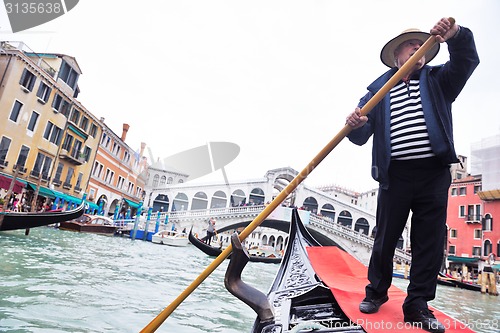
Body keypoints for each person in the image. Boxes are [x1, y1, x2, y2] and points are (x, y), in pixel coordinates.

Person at [346, 18, 479, 333]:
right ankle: (376, 293)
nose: (417, 49)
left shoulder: (438, 80)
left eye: (422, 46)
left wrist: (456, 36)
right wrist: (355, 123)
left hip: (433, 174)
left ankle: (417, 304)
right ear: (397, 57)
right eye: (411, 45)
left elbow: (466, 60)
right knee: (385, 237)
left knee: (428, 242)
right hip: (396, 175)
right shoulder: (377, 92)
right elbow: (360, 135)